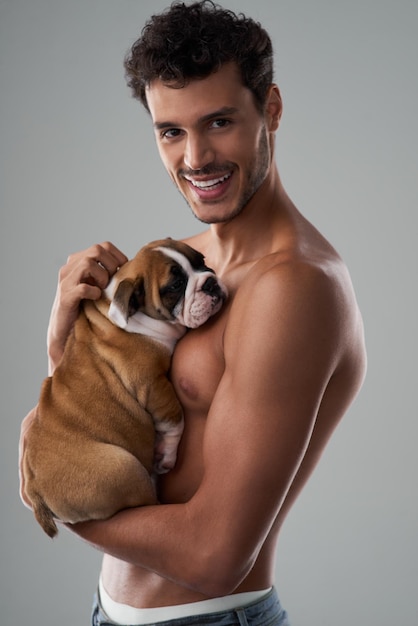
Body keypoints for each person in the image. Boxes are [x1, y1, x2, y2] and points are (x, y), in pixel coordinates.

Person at [19, 2, 367, 624]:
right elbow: (111, 422)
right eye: (170, 131)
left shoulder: (294, 287)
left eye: (220, 122)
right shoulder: (182, 263)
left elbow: (215, 556)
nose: (196, 157)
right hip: (105, 611)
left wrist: (56, 501)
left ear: (273, 110)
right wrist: (60, 349)